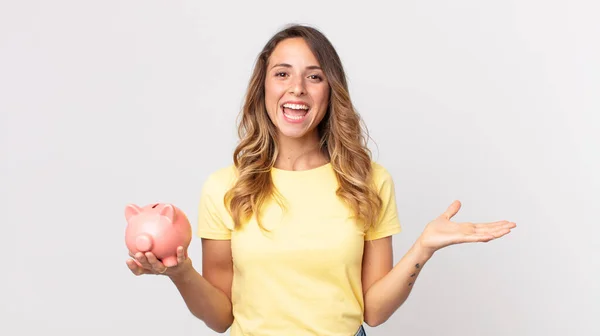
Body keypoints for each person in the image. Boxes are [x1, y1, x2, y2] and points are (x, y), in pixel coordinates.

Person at [125, 24, 516, 336]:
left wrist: (423, 249)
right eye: (282, 74)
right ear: (264, 87)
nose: (297, 88)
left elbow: (375, 312)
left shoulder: (368, 182)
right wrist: (180, 273)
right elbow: (220, 316)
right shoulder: (225, 188)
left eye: (314, 76)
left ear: (331, 91)